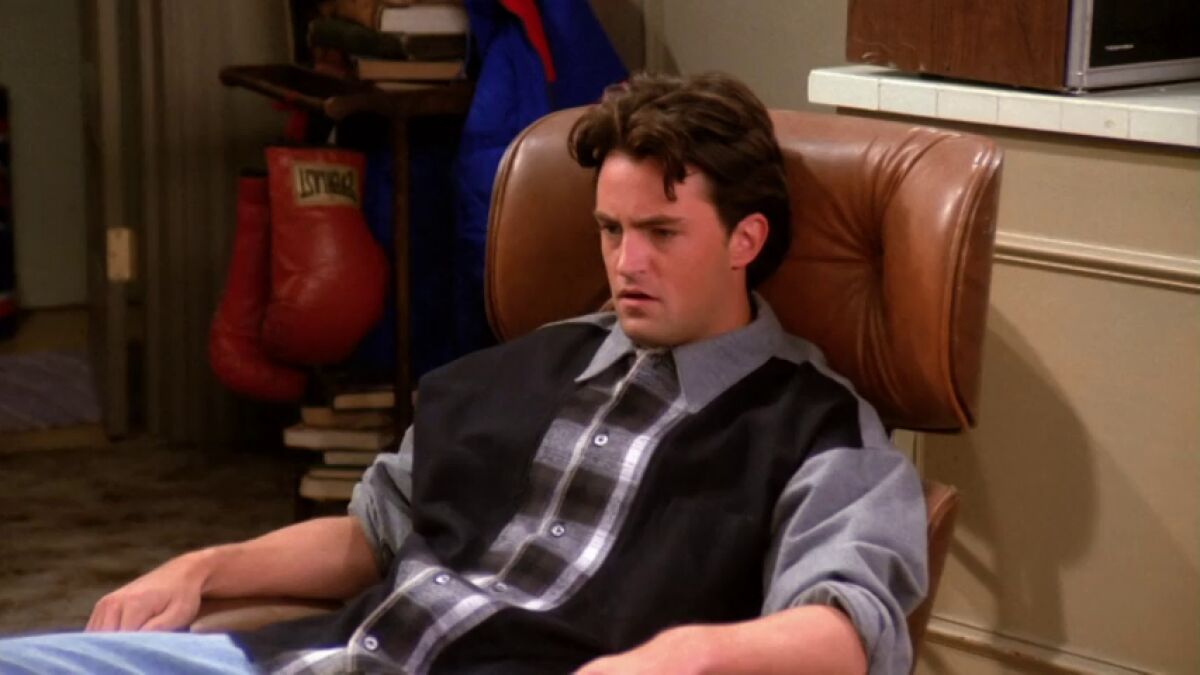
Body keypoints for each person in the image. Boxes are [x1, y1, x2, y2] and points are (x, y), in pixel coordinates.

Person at [0, 72, 927, 675]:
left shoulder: (817, 427)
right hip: (317, 657)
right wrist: (204, 567)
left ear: (745, 238)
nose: (626, 262)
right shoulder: (518, 369)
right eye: (611, 230)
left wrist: (683, 657)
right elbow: (372, 531)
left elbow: (851, 628)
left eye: (661, 232)